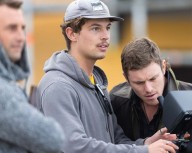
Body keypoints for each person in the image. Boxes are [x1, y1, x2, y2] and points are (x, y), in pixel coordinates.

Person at [34, 0, 179, 153]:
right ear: (72, 33)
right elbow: (74, 147)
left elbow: (114, 139)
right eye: (95, 28)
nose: (105, 36)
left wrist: (145, 144)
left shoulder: (96, 85)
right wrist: (144, 152)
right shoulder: (58, 86)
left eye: (107, 28)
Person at [110, 37, 192, 142]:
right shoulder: (116, 101)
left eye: (153, 78)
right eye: (139, 83)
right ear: (126, 77)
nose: (148, 89)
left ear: (164, 67)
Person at [0, 0, 65, 152]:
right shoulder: (3, 92)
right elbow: (52, 137)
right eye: (11, 28)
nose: (21, 37)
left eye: (22, 28)